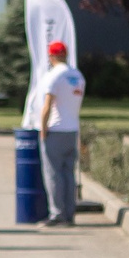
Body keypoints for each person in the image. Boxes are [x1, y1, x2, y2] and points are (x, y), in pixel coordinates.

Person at [32, 40, 86, 226]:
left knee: (53, 173)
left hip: (55, 129)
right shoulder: (77, 76)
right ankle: (70, 213)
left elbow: (47, 105)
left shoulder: (53, 76)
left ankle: (57, 214)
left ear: (51, 56)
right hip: (72, 130)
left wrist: (43, 128)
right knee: (68, 173)